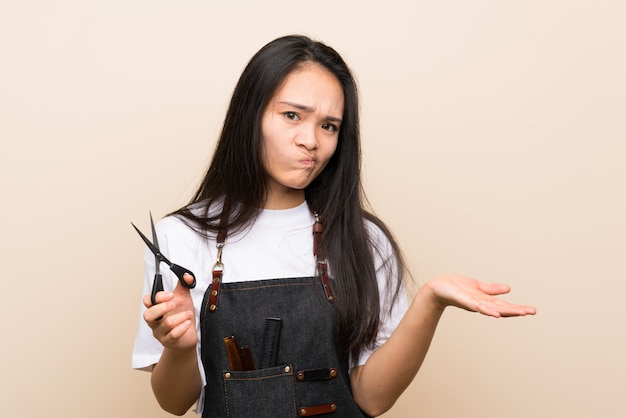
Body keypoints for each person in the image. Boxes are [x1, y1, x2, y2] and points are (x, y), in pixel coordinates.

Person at [132, 34, 536, 417]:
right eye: (292, 115)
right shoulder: (180, 237)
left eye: (329, 126)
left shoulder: (364, 240)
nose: (311, 140)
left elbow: (371, 399)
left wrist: (430, 301)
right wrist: (181, 349)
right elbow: (174, 402)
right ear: (249, 116)